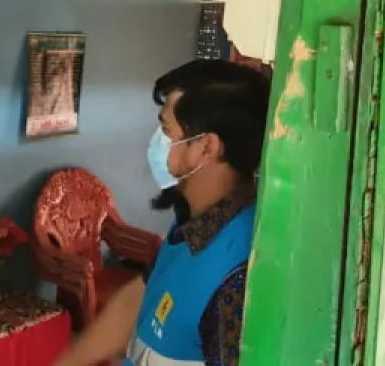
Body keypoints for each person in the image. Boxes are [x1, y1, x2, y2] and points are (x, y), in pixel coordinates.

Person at [54, 59, 271, 366]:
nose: (157, 141)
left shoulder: (236, 279)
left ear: (206, 148)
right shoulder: (194, 222)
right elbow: (137, 298)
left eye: (166, 130)